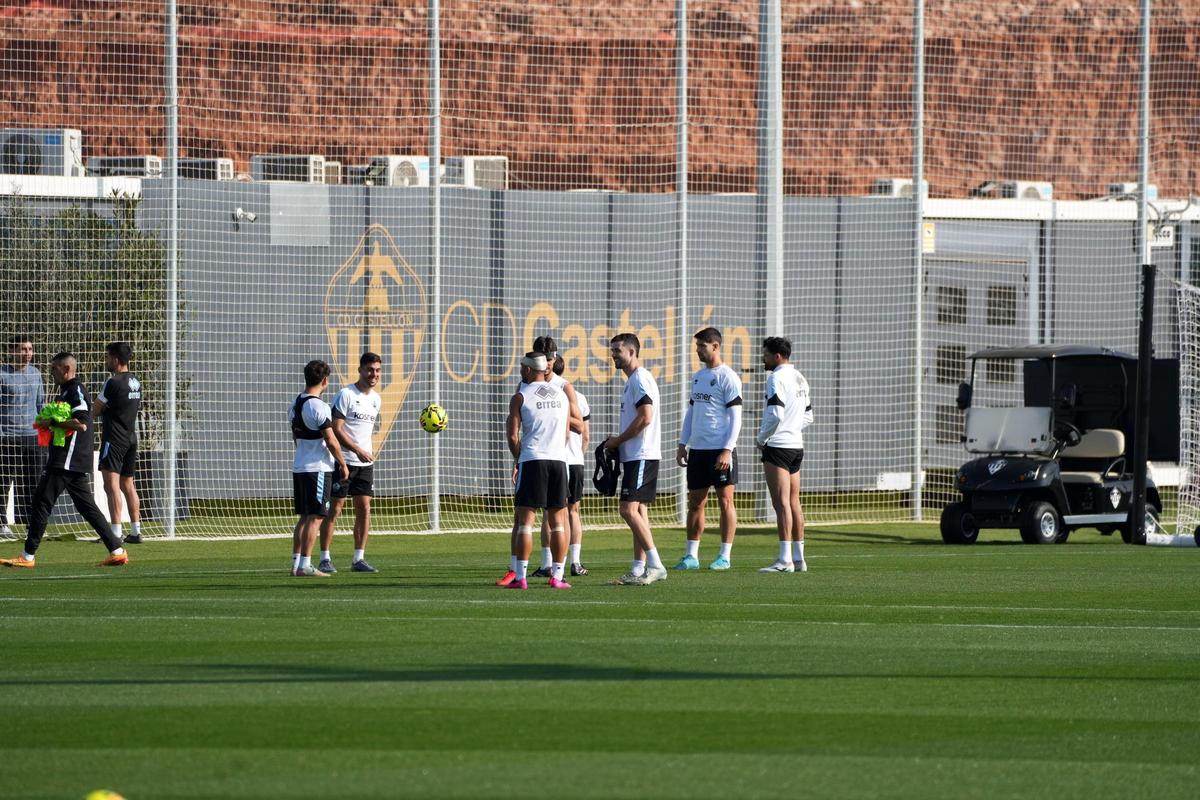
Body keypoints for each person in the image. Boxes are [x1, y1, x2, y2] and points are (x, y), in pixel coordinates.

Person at [0, 352, 128, 569]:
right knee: (86, 507)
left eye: (54, 368)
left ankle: (28, 556)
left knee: (41, 501)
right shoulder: (66, 391)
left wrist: (53, 422)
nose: (51, 372)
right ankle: (117, 550)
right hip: (72, 458)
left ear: (66, 369)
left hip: (68, 458)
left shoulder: (75, 390)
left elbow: (82, 423)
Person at [495, 352, 572, 590]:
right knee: (558, 522)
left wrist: (519, 458)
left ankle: (521, 577)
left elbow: (512, 435)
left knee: (524, 522)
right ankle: (557, 577)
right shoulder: (561, 395)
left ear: (528, 369)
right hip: (559, 461)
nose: (520, 370)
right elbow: (568, 432)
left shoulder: (520, 396)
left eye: (521, 367)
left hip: (532, 460)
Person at [674, 327, 743, 571]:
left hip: (720, 450)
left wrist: (727, 449)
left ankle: (725, 556)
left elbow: (736, 417)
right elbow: (691, 412)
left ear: (715, 346)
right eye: (697, 346)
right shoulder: (698, 377)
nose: (697, 350)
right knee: (696, 502)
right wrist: (683, 443)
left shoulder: (728, 377)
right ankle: (691, 555)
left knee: (725, 501)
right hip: (698, 450)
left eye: (701, 346)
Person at [604, 333, 667, 586]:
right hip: (636, 455)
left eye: (618, 350)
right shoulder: (632, 381)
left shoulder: (640, 378)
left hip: (642, 454)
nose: (613, 354)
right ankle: (639, 568)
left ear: (632, 352)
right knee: (639, 510)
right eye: (612, 350)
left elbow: (646, 417)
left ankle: (656, 565)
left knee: (627, 509)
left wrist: (618, 440)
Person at [522, 336, 584, 578]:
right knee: (531, 515)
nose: (546, 364)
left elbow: (579, 425)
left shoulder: (563, 386)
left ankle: (569, 563)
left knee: (564, 512)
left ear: (555, 359)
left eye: (549, 359)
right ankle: (544, 563)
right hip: (535, 457)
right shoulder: (526, 385)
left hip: (562, 458)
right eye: (542, 359)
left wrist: (553, 414)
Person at [317, 352, 382, 574]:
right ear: (360, 370)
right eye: (370, 370)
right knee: (334, 510)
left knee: (364, 509)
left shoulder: (376, 399)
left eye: (377, 370)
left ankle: (358, 559)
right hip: (343, 461)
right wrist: (357, 450)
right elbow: (337, 428)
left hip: (365, 464)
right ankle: (325, 558)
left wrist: (365, 452)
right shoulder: (346, 394)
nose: (374, 374)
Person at [755, 337, 814, 573]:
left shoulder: (776, 378)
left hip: (778, 446)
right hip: (796, 446)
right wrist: (792, 428)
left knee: (780, 504)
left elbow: (776, 414)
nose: (763, 358)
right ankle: (799, 559)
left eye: (766, 354)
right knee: (793, 503)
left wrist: (761, 438)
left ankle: (784, 560)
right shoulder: (799, 377)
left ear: (777, 356)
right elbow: (808, 416)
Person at [289, 360, 348, 578]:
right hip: (318, 468)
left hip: (300, 466)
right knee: (316, 517)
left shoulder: (294, 404)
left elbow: (296, 436)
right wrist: (342, 463)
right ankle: (305, 565)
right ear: (324, 380)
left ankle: (296, 564)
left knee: (305, 517)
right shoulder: (319, 407)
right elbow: (331, 441)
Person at [94, 342, 143, 545]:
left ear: (115, 359)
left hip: (114, 439)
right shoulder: (136, 381)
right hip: (131, 438)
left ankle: (115, 533)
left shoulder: (112, 382)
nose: (106, 361)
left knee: (111, 486)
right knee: (128, 484)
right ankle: (136, 531)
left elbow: (95, 410)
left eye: (107, 357)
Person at [0, 335, 44, 539]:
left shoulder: (36, 373)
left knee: (33, 482)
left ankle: (32, 524)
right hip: (6, 436)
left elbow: (40, 405)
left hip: (32, 436)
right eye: (23, 349)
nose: (27, 353)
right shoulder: (2, 374)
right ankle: (2, 525)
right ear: (12, 351)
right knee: (4, 482)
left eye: (30, 349)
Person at [555, 355, 591, 575]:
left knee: (553, 513)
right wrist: (578, 455)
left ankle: (549, 562)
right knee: (573, 512)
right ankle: (575, 562)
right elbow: (585, 436)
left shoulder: (549, 395)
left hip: (556, 460)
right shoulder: (579, 396)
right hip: (575, 460)